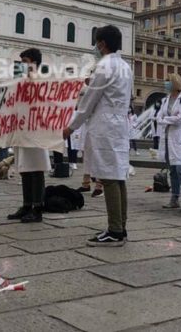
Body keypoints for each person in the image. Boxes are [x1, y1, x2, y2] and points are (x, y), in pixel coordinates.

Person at [63, 25, 132, 246]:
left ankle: (114, 230)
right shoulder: (125, 66)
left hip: (105, 127)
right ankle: (121, 225)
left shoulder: (104, 66)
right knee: (118, 176)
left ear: (101, 43)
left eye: (97, 42)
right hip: (119, 125)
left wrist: (71, 126)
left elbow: (89, 101)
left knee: (109, 178)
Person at [8, 49, 51, 223]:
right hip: (22, 130)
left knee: (36, 168)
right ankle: (26, 205)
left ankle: (37, 207)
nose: (22, 65)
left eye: (25, 61)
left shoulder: (43, 82)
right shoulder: (21, 81)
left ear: (34, 62)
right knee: (24, 167)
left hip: (36, 131)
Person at [156, 74, 181, 209]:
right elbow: (158, 116)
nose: (166, 84)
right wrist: (166, 119)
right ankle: (174, 198)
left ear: (174, 83)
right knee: (172, 170)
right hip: (167, 136)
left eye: (168, 82)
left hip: (178, 136)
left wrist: (164, 120)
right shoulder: (166, 100)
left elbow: (179, 119)